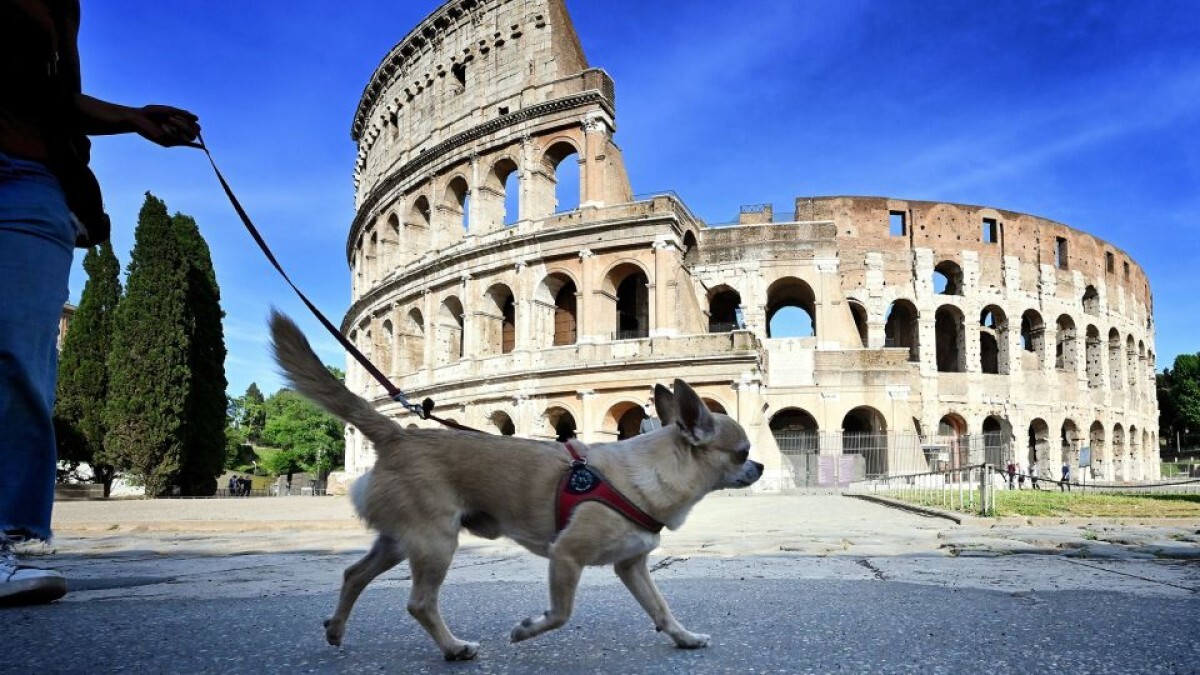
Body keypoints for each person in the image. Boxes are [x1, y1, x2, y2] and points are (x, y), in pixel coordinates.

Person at [1, 0, 200, 606]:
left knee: (19, 354)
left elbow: (52, 94)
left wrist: (135, 118)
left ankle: (13, 538)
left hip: (31, 174)